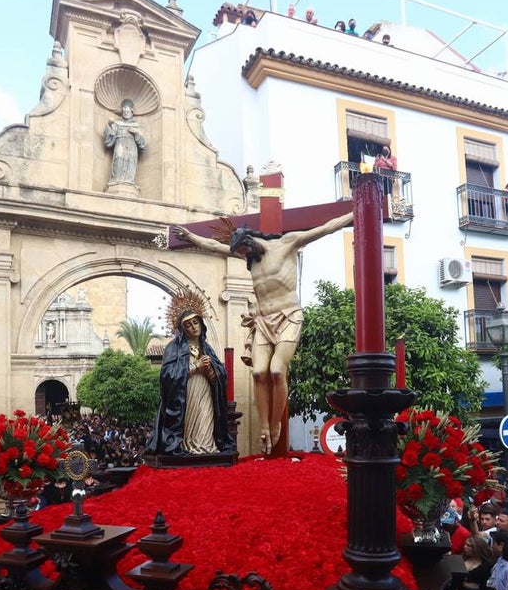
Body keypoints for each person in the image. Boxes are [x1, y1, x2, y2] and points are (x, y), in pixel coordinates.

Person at [172, 213, 354, 453]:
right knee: (258, 372)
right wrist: (191, 236)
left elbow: (326, 226)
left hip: (289, 316)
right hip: (263, 321)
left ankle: (276, 421)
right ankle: (265, 427)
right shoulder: (248, 254)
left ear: (251, 240)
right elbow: (215, 246)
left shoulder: (287, 243)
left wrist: (354, 212)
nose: (244, 257)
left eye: (245, 251)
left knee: (277, 370)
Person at [148, 311, 233, 456]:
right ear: (182, 329)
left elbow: (220, 376)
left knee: (205, 419)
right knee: (190, 422)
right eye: (188, 325)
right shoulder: (173, 348)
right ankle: (188, 446)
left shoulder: (207, 348)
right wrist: (195, 367)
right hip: (185, 393)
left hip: (205, 391)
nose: (194, 327)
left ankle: (206, 449)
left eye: (196, 323)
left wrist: (211, 371)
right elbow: (167, 376)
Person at [104, 98, 147, 188]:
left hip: (132, 148)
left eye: (127, 110)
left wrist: (136, 133)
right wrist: (109, 125)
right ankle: (117, 181)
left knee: (130, 163)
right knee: (118, 159)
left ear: (132, 111)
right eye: (124, 110)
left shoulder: (136, 126)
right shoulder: (117, 124)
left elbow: (143, 145)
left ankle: (130, 182)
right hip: (120, 145)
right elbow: (109, 140)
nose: (126, 112)